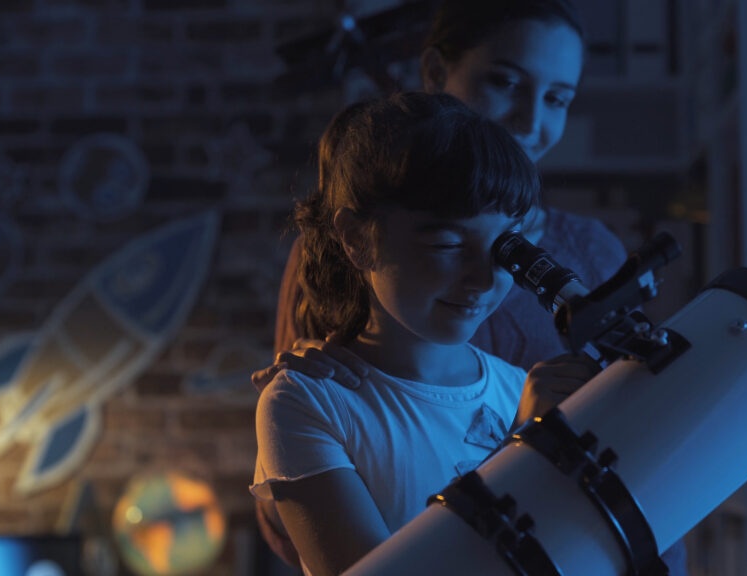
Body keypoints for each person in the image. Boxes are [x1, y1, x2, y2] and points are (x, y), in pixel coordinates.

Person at [261, 0, 689, 572]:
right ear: (437, 72)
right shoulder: (322, 387)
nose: (531, 120)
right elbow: (308, 522)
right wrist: (526, 449)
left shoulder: (586, 264)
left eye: (558, 98)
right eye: (506, 82)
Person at [251, 92, 601, 576]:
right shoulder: (309, 403)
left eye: (503, 248)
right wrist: (524, 452)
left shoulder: (520, 390)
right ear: (356, 238)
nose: (481, 279)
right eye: (447, 244)